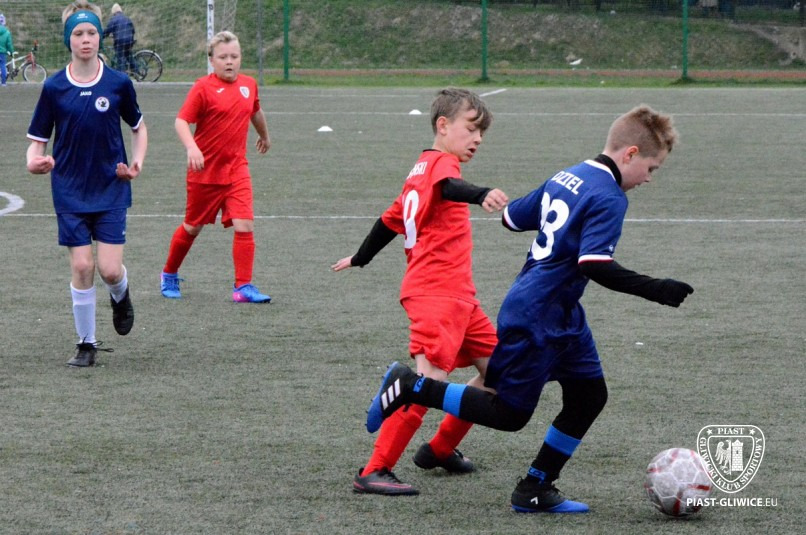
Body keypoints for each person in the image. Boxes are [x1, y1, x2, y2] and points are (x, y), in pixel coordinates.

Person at [365, 105, 694, 512]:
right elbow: (594, 264)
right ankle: (413, 386)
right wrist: (657, 289)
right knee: (509, 413)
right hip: (538, 313)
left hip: (561, 311)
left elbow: (513, 219)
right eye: (651, 168)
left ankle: (535, 487)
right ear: (630, 154)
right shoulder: (609, 196)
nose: (648, 178)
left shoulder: (570, 174)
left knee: (589, 396)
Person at [332, 88, 508, 495]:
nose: (478, 138)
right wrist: (481, 194)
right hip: (437, 292)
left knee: (502, 373)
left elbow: (389, 221)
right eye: (471, 128)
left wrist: (360, 257)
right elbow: (449, 189)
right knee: (426, 381)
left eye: (482, 132)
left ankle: (440, 448)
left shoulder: (420, 170)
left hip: (459, 296)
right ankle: (374, 470)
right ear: (443, 125)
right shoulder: (442, 166)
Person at [26, 0, 147, 367]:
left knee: (109, 270)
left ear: (99, 37)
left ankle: (120, 294)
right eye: (78, 33)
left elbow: (138, 128)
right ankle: (86, 344)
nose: (86, 39)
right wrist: (34, 161)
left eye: (92, 32)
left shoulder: (118, 83)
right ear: (68, 39)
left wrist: (136, 163)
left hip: (110, 188)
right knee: (82, 266)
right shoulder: (54, 87)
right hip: (69, 189)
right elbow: (37, 141)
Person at [160, 31, 272, 303]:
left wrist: (265, 136)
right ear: (212, 60)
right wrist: (192, 147)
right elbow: (181, 121)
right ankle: (169, 273)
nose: (229, 61)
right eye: (223, 57)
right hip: (205, 174)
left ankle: (243, 287)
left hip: (237, 170)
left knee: (245, 223)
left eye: (234, 56)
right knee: (192, 227)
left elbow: (255, 111)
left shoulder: (249, 84)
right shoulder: (203, 87)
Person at [102, 3, 135, 73]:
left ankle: (121, 74)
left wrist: (102, 37)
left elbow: (107, 30)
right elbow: (133, 30)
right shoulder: (127, 18)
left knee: (121, 59)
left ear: (113, 12)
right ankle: (137, 72)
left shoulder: (113, 20)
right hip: (129, 41)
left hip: (120, 42)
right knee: (129, 56)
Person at [0, 13, 14, 86]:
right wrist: (11, 52)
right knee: (3, 66)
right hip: (2, 52)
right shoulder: (7, 32)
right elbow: (9, 44)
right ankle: (3, 83)